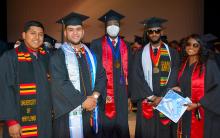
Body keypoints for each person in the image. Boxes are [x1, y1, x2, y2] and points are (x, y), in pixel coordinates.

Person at [50, 12, 106, 138]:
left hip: (91, 110)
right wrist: (82, 101)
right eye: (71, 30)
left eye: (78, 29)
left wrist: (95, 97)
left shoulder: (92, 56)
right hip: (68, 114)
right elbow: (60, 83)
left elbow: (101, 77)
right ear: (65, 33)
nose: (75, 33)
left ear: (83, 31)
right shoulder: (58, 56)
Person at [0, 20, 52, 138]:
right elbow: (4, 90)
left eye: (40, 34)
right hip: (20, 120)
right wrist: (11, 121)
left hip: (44, 120)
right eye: (33, 33)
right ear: (23, 35)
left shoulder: (46, 56)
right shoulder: (10, 57)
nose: (37, 37)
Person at [130, 17, 180, 138]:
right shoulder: (140, 53)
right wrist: (152, 97)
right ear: (147, 33)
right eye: (151, 31)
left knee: (165, 131)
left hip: (167, 99)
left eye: (157, 31)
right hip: (147, 98)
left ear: (161, 32)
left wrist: (162, 96)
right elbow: (136, 76)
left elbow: (174, 75)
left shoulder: (172, 53)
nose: (154, 34)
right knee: (148, 131)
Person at [90, 9, 130, 138]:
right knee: (106, 123)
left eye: (116, 24)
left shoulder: (126, 45)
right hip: (104, 91)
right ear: (105, 27)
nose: (113, 27)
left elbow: (130, 71)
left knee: (122, 123)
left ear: (119, 27)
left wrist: (129, 95)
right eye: (110, 24)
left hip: (122, 91)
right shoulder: (96, 44)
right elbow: (93, 70)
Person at [173, 34, 220, 138]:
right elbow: (185, 82)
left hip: (202, 110)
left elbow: (217, 87)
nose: (191, 47)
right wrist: (179, 88)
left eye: (195, 45)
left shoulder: (208, 63)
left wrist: (198, 104)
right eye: (189, 44)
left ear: (201, 47)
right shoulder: (183, 63)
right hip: (185, 107)